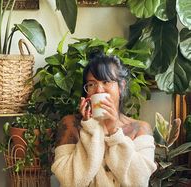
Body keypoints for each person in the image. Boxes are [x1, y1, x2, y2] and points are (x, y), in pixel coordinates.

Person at [51, 52, 157, 187]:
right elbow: (69, 181)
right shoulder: (70, 124)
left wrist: (113, 131)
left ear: (121, 86)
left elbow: (139, 182)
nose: (98, 90)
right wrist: (90, 129)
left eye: (106, 82)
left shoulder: (140, 128)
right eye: (91, 84)